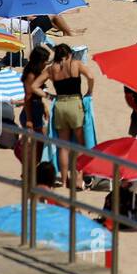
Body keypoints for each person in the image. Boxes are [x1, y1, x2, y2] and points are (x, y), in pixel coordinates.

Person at [44, 44, 94, 188]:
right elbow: (90, 76)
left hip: (60, 104)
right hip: (75, 104)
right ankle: (78, 177)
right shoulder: (75, 64)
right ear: (69, 54)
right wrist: (89, 91)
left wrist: (49, 95)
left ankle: (65, 180)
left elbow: (35, 85)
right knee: (80, 144)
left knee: (64, 147)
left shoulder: (52, 68)